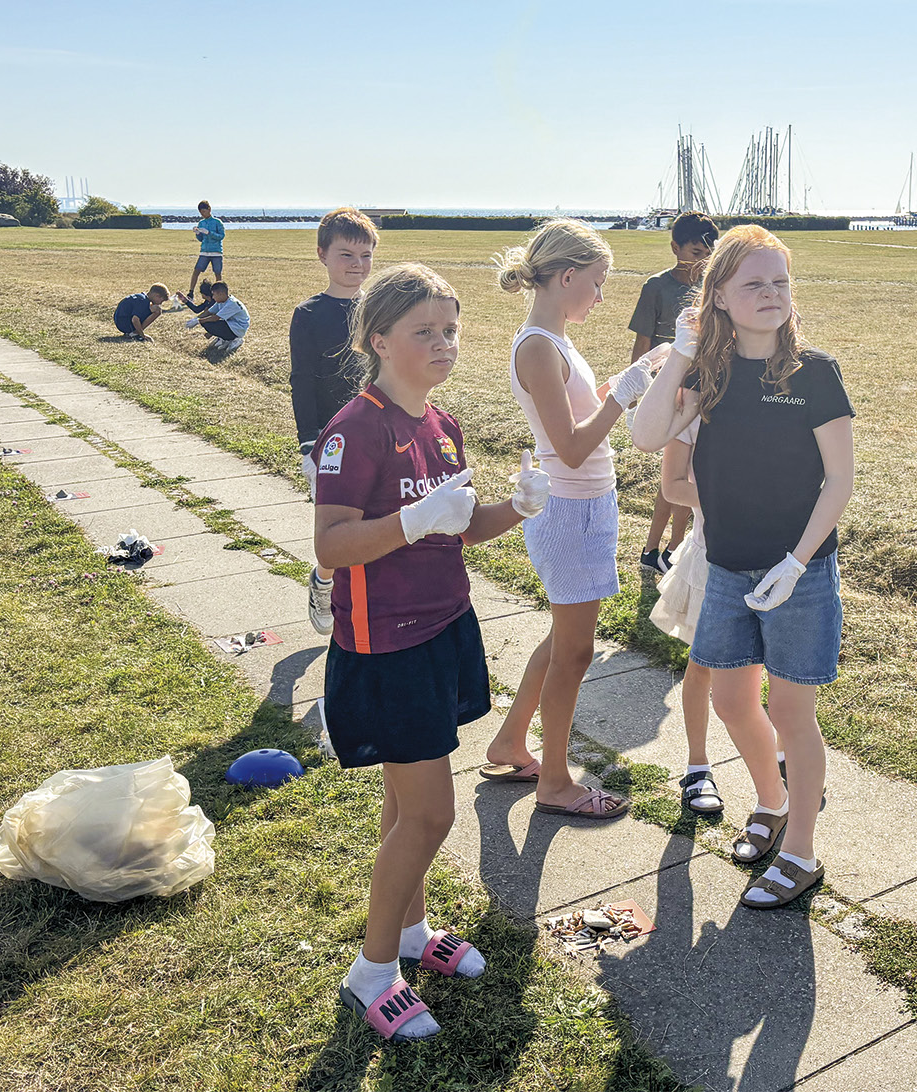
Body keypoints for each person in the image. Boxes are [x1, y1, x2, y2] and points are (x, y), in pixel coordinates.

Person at [312, 262, 550, 1043]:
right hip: (387, 648)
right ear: (378, 338)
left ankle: (412, 935)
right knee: (430, 815)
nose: (443, 343)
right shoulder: (358, 425)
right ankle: (372, 971)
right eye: (424, 331)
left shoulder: (439, 424)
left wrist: (512, 509)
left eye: (450, 329)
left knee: (404, 800)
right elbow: (333, 545)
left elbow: (455, 524)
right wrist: (411, 526)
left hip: (444, 625)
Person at [634, 225, 855, 909]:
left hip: (798, 572)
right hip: (726, 568)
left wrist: (796, 560)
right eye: (753, 283)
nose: (770, 294)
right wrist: (681, 351)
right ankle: (771, 800)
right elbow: (646, 437)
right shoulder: (709, 376)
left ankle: (800, 853)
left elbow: (839, 480)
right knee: (730, 699)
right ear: (718, 297)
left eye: (780, 282)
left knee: (792, 712)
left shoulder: (812, 372)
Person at [477, 219, 656, 820]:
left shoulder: (554, 340)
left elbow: (578, 416)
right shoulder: (536, 345)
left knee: (564, 638)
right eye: (598, 283)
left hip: (585, 505)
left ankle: (510, 742)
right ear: (568, 275)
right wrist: (620, 397)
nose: (601, 297)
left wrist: (635, 377)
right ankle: (554, 782)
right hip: (571, 508)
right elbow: (572, 447)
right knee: (575, 651)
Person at [291, 207, 380, 635]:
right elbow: (302, 380)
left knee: (376, 521)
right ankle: (324, 581)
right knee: (336, 529)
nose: (357, 266)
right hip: (330, 439)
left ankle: (366, 603)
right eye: (346, 255)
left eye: (365, 256)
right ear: (322, 254)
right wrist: (309, 443)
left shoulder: (380, 308)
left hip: (379, 432)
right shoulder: (308, 315)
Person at [628, 211, 719, 574]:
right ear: (675, 247)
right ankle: (661, 550)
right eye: (696, 252)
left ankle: (669, 549)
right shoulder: (657, 287)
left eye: (709, 253)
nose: (702, 260)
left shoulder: (715, 288)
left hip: (705, 392)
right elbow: (643, 343)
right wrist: (638, 394)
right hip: (672, 393)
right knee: (679, 478)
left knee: (685, 477)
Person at [648, 410, 723, 814]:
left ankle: (784, 759)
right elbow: (673, 485)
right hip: (711, 555)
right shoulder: (695, 407)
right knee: (703, 662)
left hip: (773, 555)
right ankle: (698, 765)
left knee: (775, 667)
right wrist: (728, 494)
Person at [185, 281, 248, 351]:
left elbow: (215, 318)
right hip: (232, 325)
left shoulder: (231, 303)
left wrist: (198, 321)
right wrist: (195, 319)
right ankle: (226, 339)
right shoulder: (220, 302)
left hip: (239, 329)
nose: (213, 297)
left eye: (214, 294)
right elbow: (208, 312)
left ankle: (236, 339)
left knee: (207, 322)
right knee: (206, 322)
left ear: (220, 294)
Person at [188, 201, 226, 297]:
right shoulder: (201, 223)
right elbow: (201, 239)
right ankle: (191, 292)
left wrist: (209, 233)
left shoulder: (217, 222)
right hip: (204, 252)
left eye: (204, 212)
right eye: (201, 212)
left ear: (209, 210)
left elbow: (221, 236)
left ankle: (220, 293)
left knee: (217, 273)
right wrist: (198, 234)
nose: (203, 214)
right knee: (196, 271)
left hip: (216, 252)